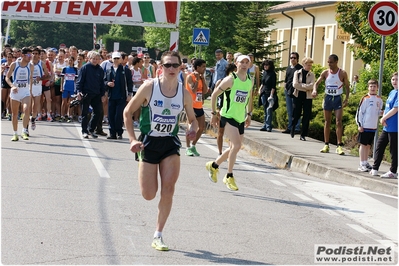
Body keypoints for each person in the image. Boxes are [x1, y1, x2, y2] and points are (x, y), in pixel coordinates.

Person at [123, 51, 198, 251]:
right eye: (168, 65)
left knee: (169, 189)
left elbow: (193, 119)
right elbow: (128, 112)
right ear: (160, 67)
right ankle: (143, 168)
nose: (171, 69)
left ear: (181, 67)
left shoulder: (183, 93)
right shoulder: (149, 87)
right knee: (149, 194)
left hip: (170, 144)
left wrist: (193, 129)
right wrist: (131, 139)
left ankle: (158, 233)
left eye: (175, 65)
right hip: (148, 144)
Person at [206, 55, 253, 191]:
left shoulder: (249, 80)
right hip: (227, 116)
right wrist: (214, 113)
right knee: (237, 145)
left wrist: (249, 114)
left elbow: (249, 98)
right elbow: (214, 94)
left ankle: (214, 165)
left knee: (234, 147)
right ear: (236, 64)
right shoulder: (231, 79)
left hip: (240, 118)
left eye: (246, 62)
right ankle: (229, 175)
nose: (244, 65)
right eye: (241, 62)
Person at [313, 54, 350, 155]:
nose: (329, 64)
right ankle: (326, 144)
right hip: (328, 98)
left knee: (338, 121)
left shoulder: (342, 73)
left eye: (331, 62)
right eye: (328, 62)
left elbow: (347, 86)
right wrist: (315, 90)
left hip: (338, 98)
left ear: (336, 62)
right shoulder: (325, 72)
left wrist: (346, 99)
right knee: (327, 121)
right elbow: (317, 83)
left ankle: (339, 146)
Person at [370, 72, 398, 178]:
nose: (394, 82)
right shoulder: (392, 92)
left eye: (397, 79)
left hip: (395, 126)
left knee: (393, 149)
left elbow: (395, 109)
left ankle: (393, 171)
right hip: (387, 125)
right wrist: (384, 118)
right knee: (379, 145)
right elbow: (388, 107)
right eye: (393, 79)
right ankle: (375, 168)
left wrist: (384, 118)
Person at [75, 51, 106, 139]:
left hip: (96, 94)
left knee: (98, 112)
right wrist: (78, 91)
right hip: (86, 93)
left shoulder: (100, 69)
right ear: (89, 59)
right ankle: (84, 131)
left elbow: (101, 83)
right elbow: (79, 81)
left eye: (97, 59)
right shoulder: (85, 68)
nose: (95, 60)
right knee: (85, 113)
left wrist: (103, 94)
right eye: (93, 59)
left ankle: (91, 129)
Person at [5, 47, 34, 141]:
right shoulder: (15, 64)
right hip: (15, 91)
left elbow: (30, 79)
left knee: (26, 110)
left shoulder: (31, 66)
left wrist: (30, 90)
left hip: (25, 91)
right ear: (23, 55)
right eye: (29, 55)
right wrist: (12, 86)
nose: (30, 57)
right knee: (14, 114)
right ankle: (15, 133)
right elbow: (7, 77)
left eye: (31, 55)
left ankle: (24, 131)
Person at [355, 79, 383, 172]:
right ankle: (361, 163)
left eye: (374, 86)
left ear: (377, 88)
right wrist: (360, 124)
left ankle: (366, 162)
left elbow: (378, 111)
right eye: (371, 86)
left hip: (373, 126)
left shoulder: (379, 99)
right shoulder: (365, 98)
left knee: (368, 145)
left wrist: (381, 113)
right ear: (368, 87)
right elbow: (360, 112)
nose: (372, 88)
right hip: (365, 126)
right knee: (363, 145)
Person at [104, 52, 133, 139]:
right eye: (114, 58)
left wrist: (129, 94)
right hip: (112, 96)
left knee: (118, 115)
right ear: (112, 59)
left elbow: (129, 83)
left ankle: (119, 132)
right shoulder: (109, 70)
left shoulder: (125, 70)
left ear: (121, 59)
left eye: (117, 58)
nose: (116, 60)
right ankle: (112, 133)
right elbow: (104, 81)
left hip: (121, 96)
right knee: (111, 115)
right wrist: (107, 83)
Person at [185, 58, 209, 156]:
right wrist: (197, 79)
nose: (204, 68)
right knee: (191, 127)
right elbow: (193, 90)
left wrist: (202, 80)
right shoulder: (190, 77)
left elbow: (205, 91)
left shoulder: (202, 77)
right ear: (197, 67)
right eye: (203, 67)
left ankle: (193, 145)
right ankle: (187, 147)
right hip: (190, 105)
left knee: (202, 127)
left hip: (199, 105)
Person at [291, 57, 315, 141]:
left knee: (306, 115)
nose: (309, 67)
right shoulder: (297, 73)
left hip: (307, 97)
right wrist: (306, 86)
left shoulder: (312, 74)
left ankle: (303, 134)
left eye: (310, 65)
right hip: (298, 95)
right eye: (308, 65)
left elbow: (312, 85)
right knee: (296, 113)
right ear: (304, 64)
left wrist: (302, 85)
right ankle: (293, 127)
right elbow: (295, 84)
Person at [216, 63, 237, 155]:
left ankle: (230, 152)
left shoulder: (237, 83)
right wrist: (217, 109)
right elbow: (216, 96)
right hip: (222, 109)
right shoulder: (221, 81)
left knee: (231, 134)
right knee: (220, 132)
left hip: (232, 111)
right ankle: (220, 152)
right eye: (233, 71)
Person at [30, 47, 50, 129]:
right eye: (33, 53)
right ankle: (26, 125)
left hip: (38, 86)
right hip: (29, 86)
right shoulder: (28, 63)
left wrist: (41, 78)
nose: (34, 55)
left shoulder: (42, 64)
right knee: (28, 105)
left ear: (39, 55)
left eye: (36, 54)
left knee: (35, 106)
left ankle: (33, 119)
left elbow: (48, 76)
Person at [282, 52, 302, 134]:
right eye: (291, 58)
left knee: (296, 110)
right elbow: (286, 80)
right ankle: (290, 127)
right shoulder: (289, 68)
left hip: (296, 92)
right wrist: (285, 87)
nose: (292, 59)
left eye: (294, 58)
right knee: (289, 111)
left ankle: (296, 128)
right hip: (288, 91)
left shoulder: (300, 68)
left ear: (297, 59)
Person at [259, 59, 277, 132]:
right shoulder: (264, 73)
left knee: (269, 110)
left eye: (267, 65)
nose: (265, 66)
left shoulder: (273, 74)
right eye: (264, 65)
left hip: (270, 93)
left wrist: (271, 95)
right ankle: (265, 125)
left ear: (270, 66)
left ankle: (269, 126)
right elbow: (263, 83)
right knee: (265, 110)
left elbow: (273, 86)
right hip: (264, 93)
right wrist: (260, 90)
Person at [60, 56, 78, 122]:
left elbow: (76, 80)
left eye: (71, 61)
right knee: (64, 102)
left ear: (73, 61)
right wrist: (61, 87)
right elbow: (62, 78)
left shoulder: (75, 70)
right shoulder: (64, 69)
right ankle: (62, 115)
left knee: (71, 102)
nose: (70, 62)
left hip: (72, 87)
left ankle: (70, 115)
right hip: (65, 87)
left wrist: (76, 89)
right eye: (69, 61)